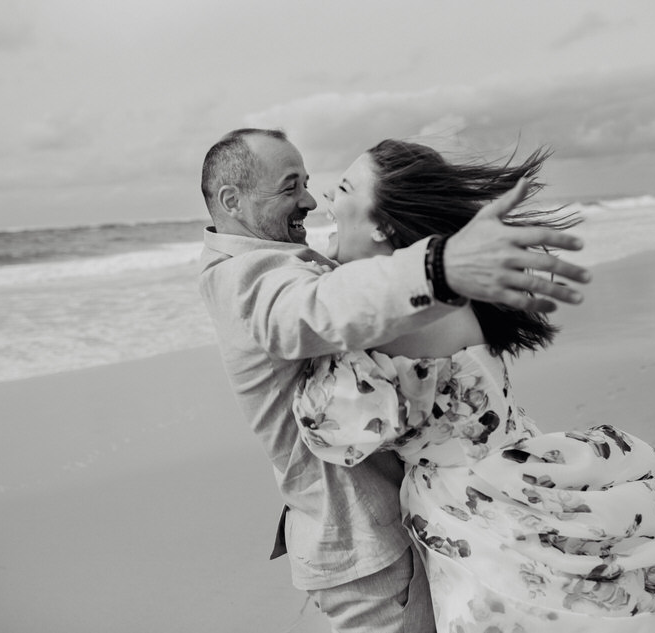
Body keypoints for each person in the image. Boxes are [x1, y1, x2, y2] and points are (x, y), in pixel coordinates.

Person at [292, 139, 655, 632]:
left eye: (342, 189)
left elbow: (331, 430)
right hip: (515, 463)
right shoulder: (450, 291)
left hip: (476, 508)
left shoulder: (395, 316)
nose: (324, 199)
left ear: (384, 227)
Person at [197, 128, 591, 633]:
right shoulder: (245, 276)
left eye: (319, 186)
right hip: (369, 548)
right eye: (291, 186)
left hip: (440, 524)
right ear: (232, 200)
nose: (311, 200)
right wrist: (437, 266)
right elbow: (315, 309)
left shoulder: (286, 269)